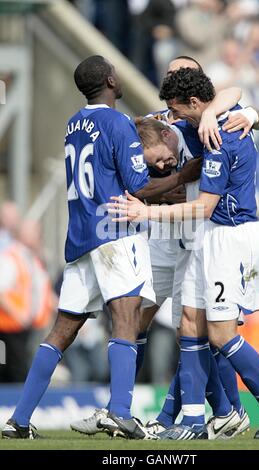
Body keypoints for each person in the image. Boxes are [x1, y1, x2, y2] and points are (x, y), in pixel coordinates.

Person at [108, 67, 259, 440]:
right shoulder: (212, 119)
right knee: (190, 325)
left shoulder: (222, 136)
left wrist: (147, 212)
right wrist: (218, 111)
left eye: (178, 112)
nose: (175, 120)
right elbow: (234, 91)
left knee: (223, 335)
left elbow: (204, 206)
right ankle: (193, 421)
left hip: (231, 237)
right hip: (209, 238)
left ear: (194, 103)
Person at [2, 55, 185, 441]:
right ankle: (120, 411)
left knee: (61, 331)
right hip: (114, 233)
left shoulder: (72, 124)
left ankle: (19, 419)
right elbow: (137, 186)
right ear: (110, 79)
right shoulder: (118, 121)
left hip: (81, 236)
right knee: (126, 319)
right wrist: (183, 175)